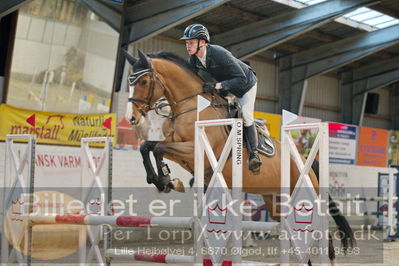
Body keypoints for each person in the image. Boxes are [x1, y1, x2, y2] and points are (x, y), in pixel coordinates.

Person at [180, 24, 262, 174]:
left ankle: (254, 155)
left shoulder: (219, 53)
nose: (188, 46)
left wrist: (217, 86)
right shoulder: (194, 59)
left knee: (246, 115)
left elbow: (241, 79)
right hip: (227, 87)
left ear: (202, 42)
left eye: (191, 42)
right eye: (186, 43)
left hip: (246, 85)